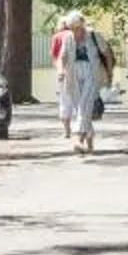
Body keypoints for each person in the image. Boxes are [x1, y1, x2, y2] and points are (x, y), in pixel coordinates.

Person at [54, 11, 109, 154]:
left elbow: (107, 54)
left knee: (84, 105)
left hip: (92, 74)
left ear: (82, 26)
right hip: (73, 75)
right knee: (81, 108)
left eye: (76, 28)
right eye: (71, 29)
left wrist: (109, 73)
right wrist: (61, 71)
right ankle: (90, 143)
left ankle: (78, 139)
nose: (74, 32)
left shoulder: (94, 36)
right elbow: (61, 57)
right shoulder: (68, 38)